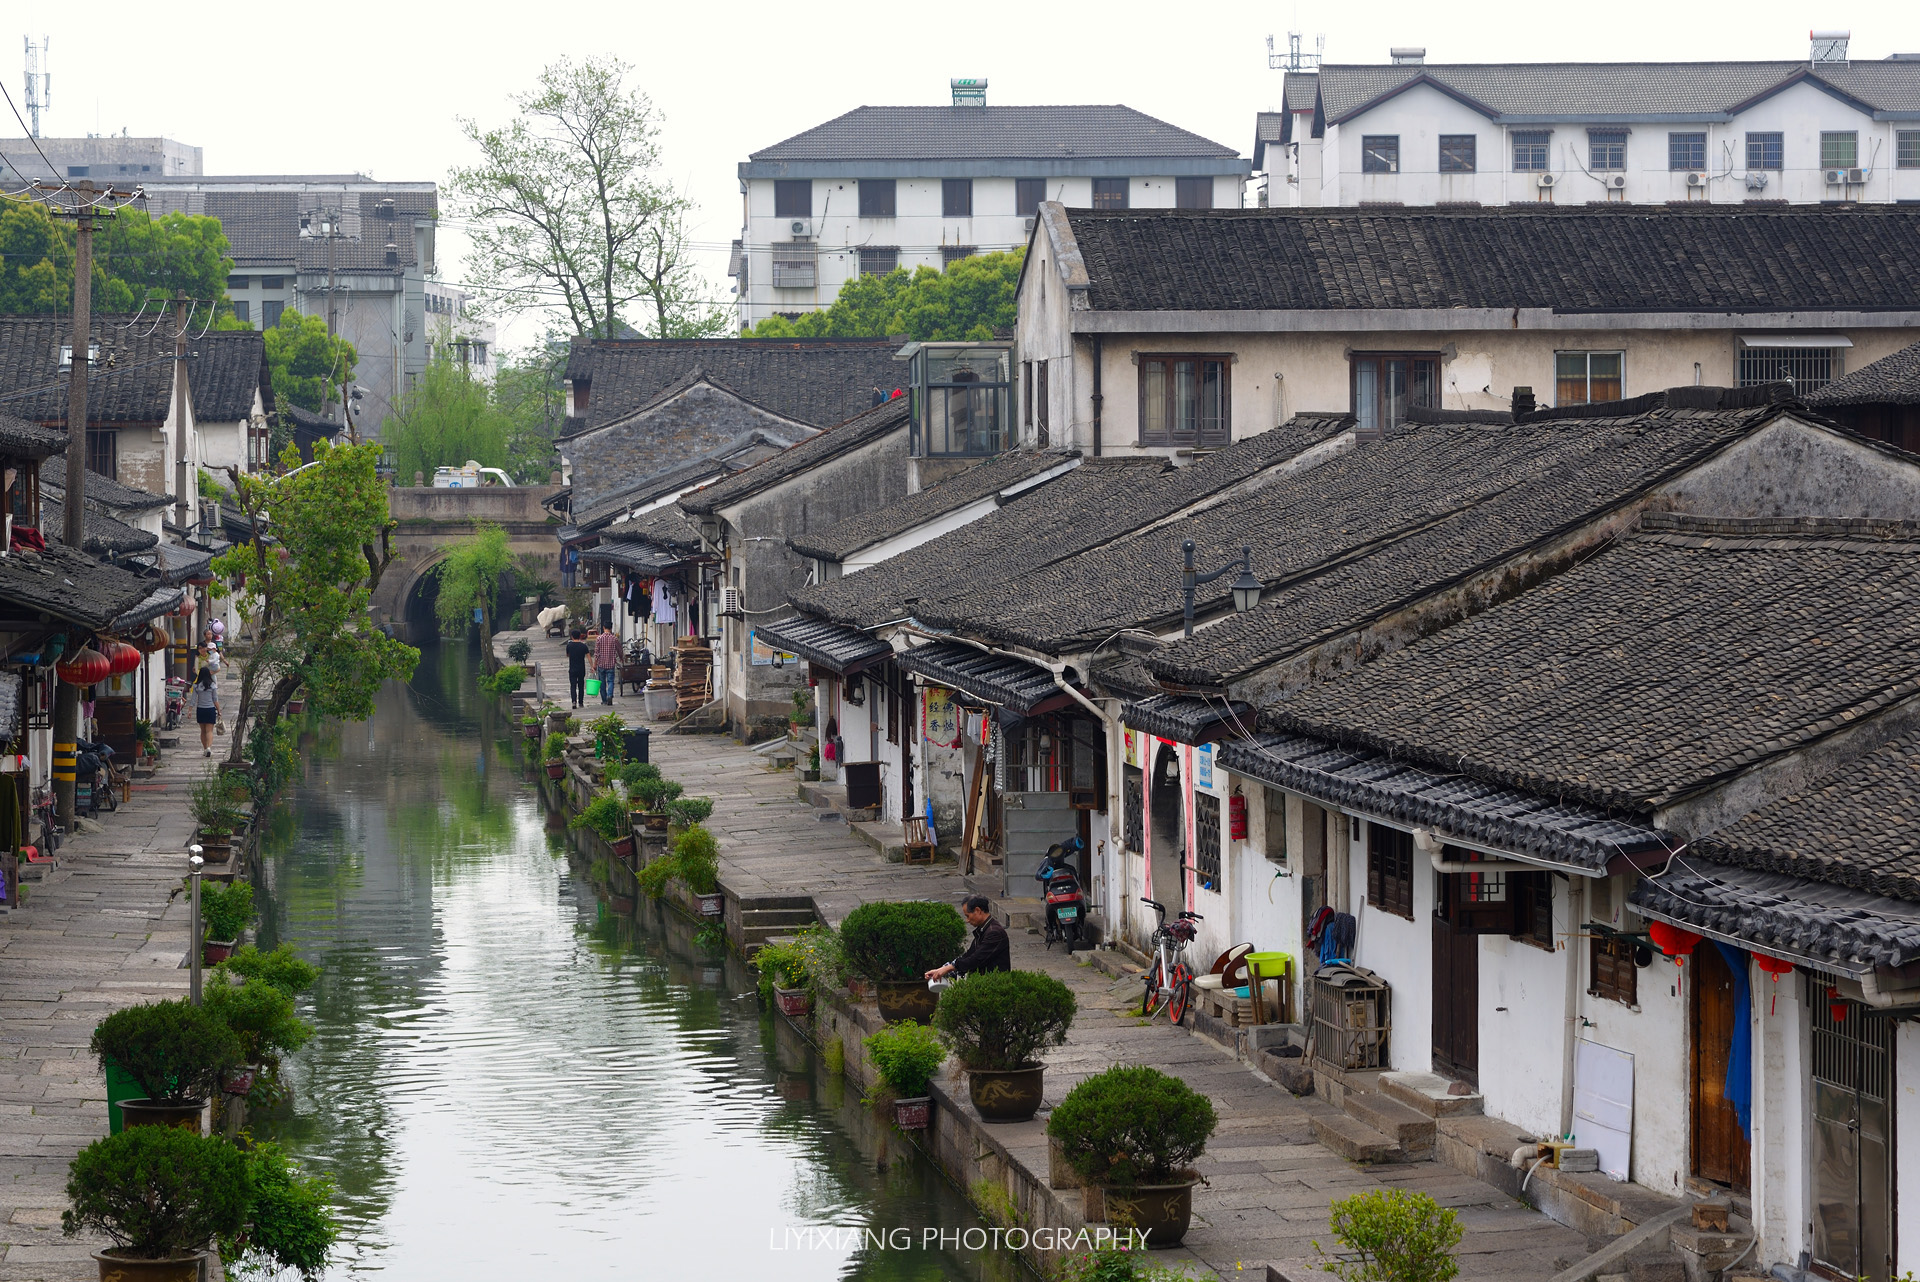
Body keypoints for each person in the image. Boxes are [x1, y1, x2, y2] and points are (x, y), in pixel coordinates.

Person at [925, 896, 1010, 980]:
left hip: (993, 985)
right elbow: (969, 955)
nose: (967, 920)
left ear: (977, 911)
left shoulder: (994, 933)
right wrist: (942, 970)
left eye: (967, 916)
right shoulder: (984, 929)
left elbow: (976, 959)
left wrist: (949, 968)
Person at [193, 666, 219, 757]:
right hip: (210, 709)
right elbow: (215, 699)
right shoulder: (212, 685)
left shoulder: (196, 685)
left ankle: (205, 749)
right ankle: (209, 748)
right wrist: (219, 710)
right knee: (209, 731)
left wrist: (189, 710)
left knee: (203, 731)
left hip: (200, 709)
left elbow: (193, 700)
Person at [593, 625, 621, 707]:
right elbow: (619, 649)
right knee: (611, 681)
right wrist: (621, 658)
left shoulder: (599, 638)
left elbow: (596, 653)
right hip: (611, 664)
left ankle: (604, 700)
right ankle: (609, 696)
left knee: (602, 683)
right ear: (611, 628)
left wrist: (595, 664)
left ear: (603, 627)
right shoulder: (614, 638)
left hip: (601, 664)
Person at [564, 626, 590, 709]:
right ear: (580, 636)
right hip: (581, 669)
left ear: (572, 636)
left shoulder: (569, 646)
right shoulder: (584, 646)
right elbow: (589, 657)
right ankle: (581, 702)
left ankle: (574, 701)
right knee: (581, 685)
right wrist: (593, 666)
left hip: (572, 668)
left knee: (573, 685)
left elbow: (567, 655)